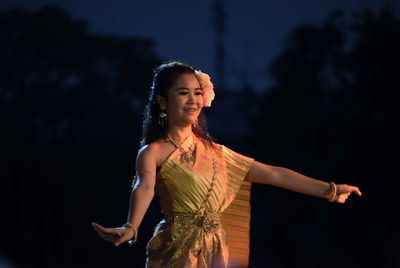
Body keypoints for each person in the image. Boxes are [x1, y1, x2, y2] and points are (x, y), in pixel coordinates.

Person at [92, 61, 362, 268]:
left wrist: (329, 190)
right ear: (163, 101)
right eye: (183, 93)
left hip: (216, 248)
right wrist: (131, 226)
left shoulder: (219, 154)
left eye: (197, 93)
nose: (193, 100)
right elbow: (144, 186)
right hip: (175, 249)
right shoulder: (152, 152)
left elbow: (274, 174)